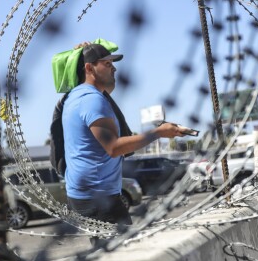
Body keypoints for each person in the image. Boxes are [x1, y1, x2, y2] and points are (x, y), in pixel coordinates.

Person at [63, 43, 191, 230]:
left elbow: (107, 85)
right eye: (107, 64)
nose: (114, 68)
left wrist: (84, 53)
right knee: (120, 251)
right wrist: (158, 132)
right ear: (89, 68)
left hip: (87, 192)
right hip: (98, 196)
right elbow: (114, 147)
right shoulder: (91, 100)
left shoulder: (77, 95)